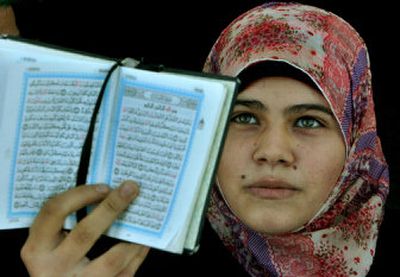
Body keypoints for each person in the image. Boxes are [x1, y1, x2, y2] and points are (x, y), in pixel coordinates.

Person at [19, 2, 389, 276]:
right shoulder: (121, 265)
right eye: (243, 117)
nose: (272, 152)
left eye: (308, 122)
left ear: (356, 143)